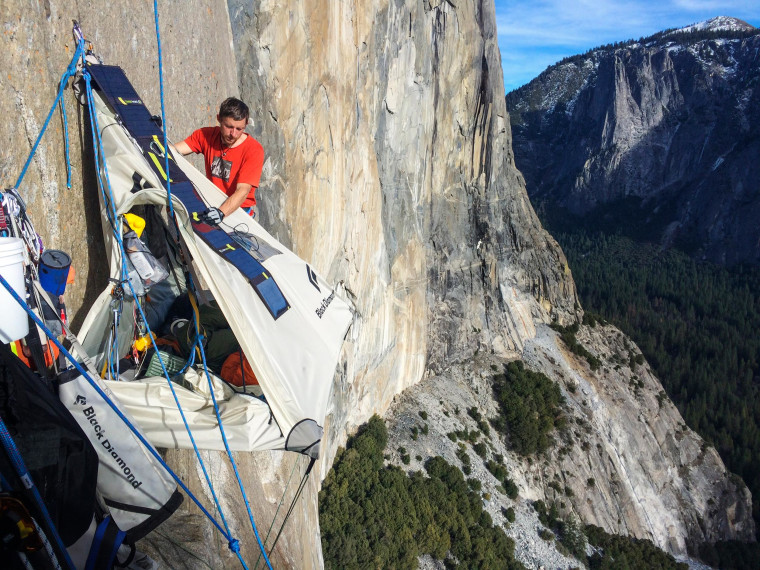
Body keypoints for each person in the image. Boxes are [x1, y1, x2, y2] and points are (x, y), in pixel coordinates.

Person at [173, 97, 264, 225]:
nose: (233, 134)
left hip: (238, 212)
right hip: (211, 202)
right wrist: (156, 132)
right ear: (219, 119)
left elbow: (243, 191)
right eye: (229, 127)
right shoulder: (205, 135)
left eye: (239, 129)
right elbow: (174, 150)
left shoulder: (253, 150)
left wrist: (221, 213)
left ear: (246, 124)